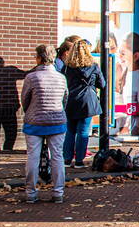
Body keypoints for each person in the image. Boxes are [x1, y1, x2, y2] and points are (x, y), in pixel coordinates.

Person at [21, 44, 68, 204]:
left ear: (39, 58)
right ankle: (58, 192)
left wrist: (31, 112)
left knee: (32, 156)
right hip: (57, 122)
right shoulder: (61, 78)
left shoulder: (31, 77)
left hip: (35, 122)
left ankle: (31, 193)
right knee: (57, 157)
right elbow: (65, 100)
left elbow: (25, 100)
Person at [63, 39, 105, 168]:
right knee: (83, 132)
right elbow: (102, 84)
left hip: (71, 101)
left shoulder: (67, 67)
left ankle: (67, 159)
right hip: (88, 102)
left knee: (70, 131)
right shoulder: (93, 66)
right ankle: (79, 161)